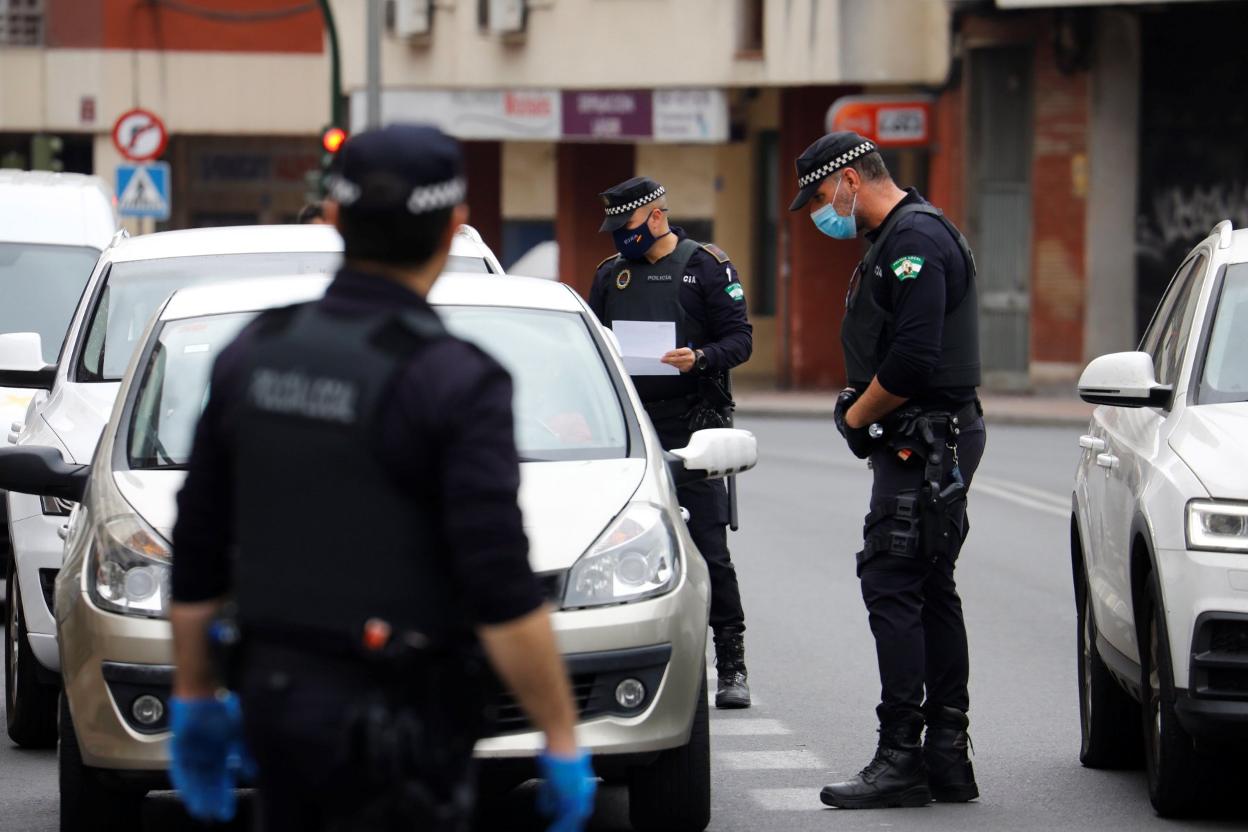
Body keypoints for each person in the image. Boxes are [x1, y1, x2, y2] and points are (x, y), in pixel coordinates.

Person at [167, 124, 596, 832]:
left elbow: (199, 544)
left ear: (333, 218)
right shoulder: (455, 379)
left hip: (274, 705)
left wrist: (193, 698)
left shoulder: (255, 351)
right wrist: (559, 735)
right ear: (455, 228)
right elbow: (498, 583)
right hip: (402, 728)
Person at [788, 132, 987, 809]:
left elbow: (912, 363)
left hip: (926, 438)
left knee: (893, 579)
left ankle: (902, 756)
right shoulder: (895, 238)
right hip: (927, 435)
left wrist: (854, 416)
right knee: (929, 586)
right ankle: (946, 757)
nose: (821, 213)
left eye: (819, 197)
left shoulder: (913, 242)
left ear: (849, 180)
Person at [588, 176, 754, 709]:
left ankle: (731, 664)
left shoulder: (705, 265)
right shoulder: (609, 276)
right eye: (614, 229)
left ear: (656, 217)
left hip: (694, 424)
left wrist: (700, 358)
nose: (620, 238)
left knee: (708, 547)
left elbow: (740, 339)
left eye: (628, 226)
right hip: (631, 429)